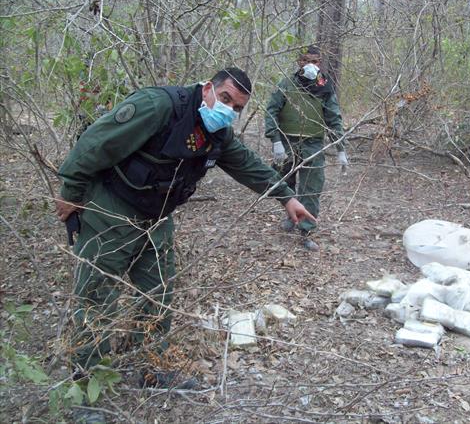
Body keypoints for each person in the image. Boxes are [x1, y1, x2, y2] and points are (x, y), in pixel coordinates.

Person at [55, 68, 314, 384]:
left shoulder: (217, 134)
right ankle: (84, 384)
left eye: (236, 108)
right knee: (96, 298)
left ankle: (153, 371)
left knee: (158, 293)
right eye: (225, 98)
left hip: (157, 219)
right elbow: (95, 143)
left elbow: (248, 165)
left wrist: (286, 197)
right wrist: (70, 193)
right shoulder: (158, 106)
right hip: (111, 211)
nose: (228, 110)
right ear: (208, 89)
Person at [264, 46, 347, 251]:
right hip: (287, 143)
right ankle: (291, 217)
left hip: (313, 145)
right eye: (305, 60)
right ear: (298, 62)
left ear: (320, 64)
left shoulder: (325, 87)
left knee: (311, 188)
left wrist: (341, 149)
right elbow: (272, 110)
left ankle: (306, 230)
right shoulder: (286, 83)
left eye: (316, 61)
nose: (311, 65)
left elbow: (333, 118)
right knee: (284, 184)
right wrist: (275, 140)